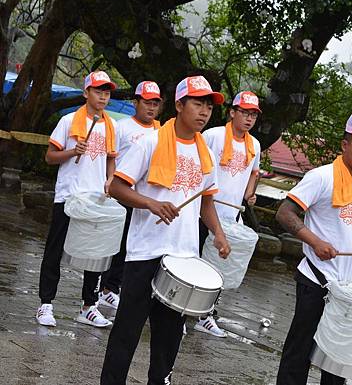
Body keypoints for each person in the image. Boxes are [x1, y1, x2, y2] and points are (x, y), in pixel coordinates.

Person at [100, 75, 231, 385]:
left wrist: (219, 234)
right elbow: (116, 187)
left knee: (169, 337)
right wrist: (151, 204)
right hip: (145, 252)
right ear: (179, 105)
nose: (203, 112)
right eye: (197, 104)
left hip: (183, 258)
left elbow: (207, 202)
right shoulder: (151, 142)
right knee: (127, 331)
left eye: (208, 107)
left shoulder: (206, 153)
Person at [275, 112, 352, 385]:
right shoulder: (322, 177)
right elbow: (285, 213)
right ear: (344, 144)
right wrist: (314, 241)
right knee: (299, 352)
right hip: (317, 279)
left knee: (338, 360)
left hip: (351, 290)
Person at [36, 70, 118, 328]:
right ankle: (46, 303)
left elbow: (111, 158)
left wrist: (110, 179)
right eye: (98, 91)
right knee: (55, 249)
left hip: (95, 198)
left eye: (107, 92)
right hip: (69, 195)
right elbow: (50, 157)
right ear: (86, 93)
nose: (103, 96)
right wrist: (73, 151)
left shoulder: (110, 125)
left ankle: (88, 306)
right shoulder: (69, 121)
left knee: (95, 253)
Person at [194, 90, 262, 337]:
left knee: (219, 265)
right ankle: (183, 309)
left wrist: (250, 193)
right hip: (203, 210)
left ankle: (207, 313)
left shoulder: (254, 144)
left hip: (231, 217)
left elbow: (254, 172)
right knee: (196, 259)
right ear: (232, 112)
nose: (249, 119)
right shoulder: (213, 135)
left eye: (253, 114)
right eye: (244, 112)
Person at [97, 81, 163, 310]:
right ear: (136, 103)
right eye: (147, 102)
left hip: (142, 198)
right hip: (119, 192)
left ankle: (112, 288)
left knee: (129, 245)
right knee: (111, 244)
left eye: (156, 103)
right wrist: (109, 179)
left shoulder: (161, 132)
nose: (151, 108)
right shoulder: (121, 126)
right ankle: (100, 287)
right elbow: (111, 157)